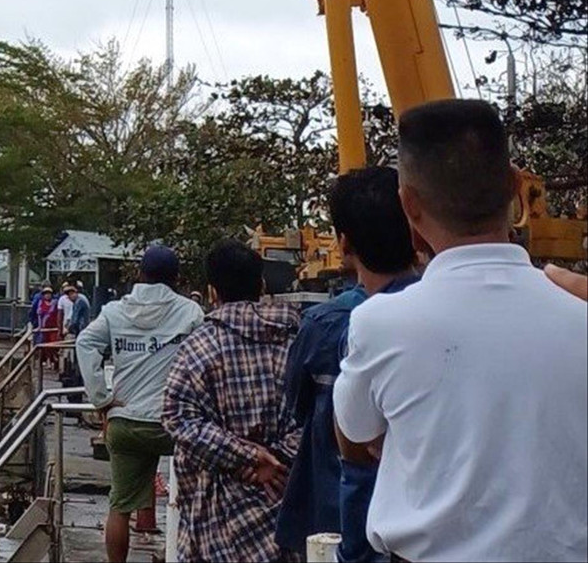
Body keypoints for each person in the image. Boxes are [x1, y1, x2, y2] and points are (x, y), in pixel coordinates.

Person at [334, 99, 588, 562]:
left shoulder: (380, 323)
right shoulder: (579, 313)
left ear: (408, 205)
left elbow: (355, 435)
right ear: (515, 187)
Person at [275, 167, 418, 562]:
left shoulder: (327, 323)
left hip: (341, 514)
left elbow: (298, 410)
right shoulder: (448, 314)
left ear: (343, 242)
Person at [162, 239, 301, 563]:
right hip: (283, 507)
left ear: (212, 292)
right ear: (261, 286)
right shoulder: (297, 340)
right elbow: (321, 416)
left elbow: (177, 417)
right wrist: (274, 459)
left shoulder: (198, 347)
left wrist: (247, 457)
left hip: (214, 525)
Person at [77, 245, 203, 563]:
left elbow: (85, 342)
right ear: (177, 278)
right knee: (194, 499)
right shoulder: (190, 312)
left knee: (119, 506)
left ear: (139, 274)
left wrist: (101, 399)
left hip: (126, 421)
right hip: (175, 426)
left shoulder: (114, 311)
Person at [30, 285, 62, 368]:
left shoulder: (55, 303)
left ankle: (54, 359)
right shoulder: (40, 303)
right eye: (46, 294)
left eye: (49, 293)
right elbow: (37, 315)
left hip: (53, 327)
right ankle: (47, 360)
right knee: (44, 344)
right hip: (43, 327)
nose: (47, 295)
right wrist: (37, 325)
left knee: (53, 343)